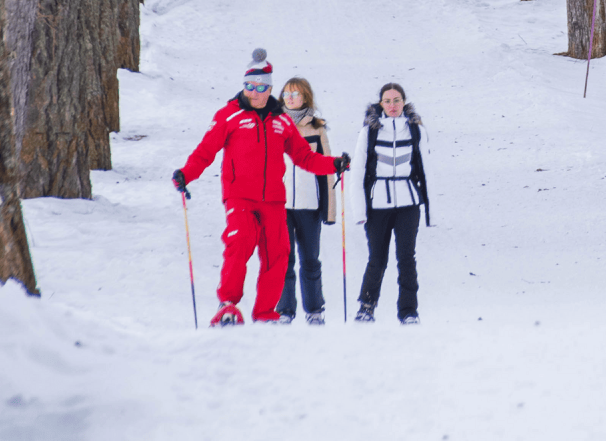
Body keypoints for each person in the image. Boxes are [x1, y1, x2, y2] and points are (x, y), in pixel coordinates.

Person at [171, 49, 350, 326]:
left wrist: (334, 164)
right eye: (249, 86)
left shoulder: (281, 121)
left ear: (269, 90)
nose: (254, 92)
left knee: (278, 253)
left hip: (274, 200)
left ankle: (266, 312)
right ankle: (228, 304)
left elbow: (304, 157)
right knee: (240, 241)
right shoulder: (229, 115)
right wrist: (186, 174)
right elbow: (206, 150)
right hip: (240, 196)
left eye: (260, 87)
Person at [348, 82, 431, 325]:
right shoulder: (369, 132)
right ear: (381, 103)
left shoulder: (416, 130)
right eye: (387, 101)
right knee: (377, 258)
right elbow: (358, 172)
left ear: (404, 102)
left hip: (408, 203)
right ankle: (366, 307)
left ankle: (409, 311)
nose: (392, 105)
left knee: (406, 258)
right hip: (377, 205)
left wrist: (430, 209)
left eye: (396, 100)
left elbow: (427, 170)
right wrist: (359, 211)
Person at [275, 77, 336, 325]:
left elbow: (326, 170)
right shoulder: (272, 125)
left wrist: (329, 210)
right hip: (279, 206)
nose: (290, 99)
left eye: (296, 94)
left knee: (310, 259)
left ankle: (314, 310)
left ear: (305, 98)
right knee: (283, 260)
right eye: (286, 94)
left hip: (309, 206)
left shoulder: (316, 129)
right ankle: (284, 310)